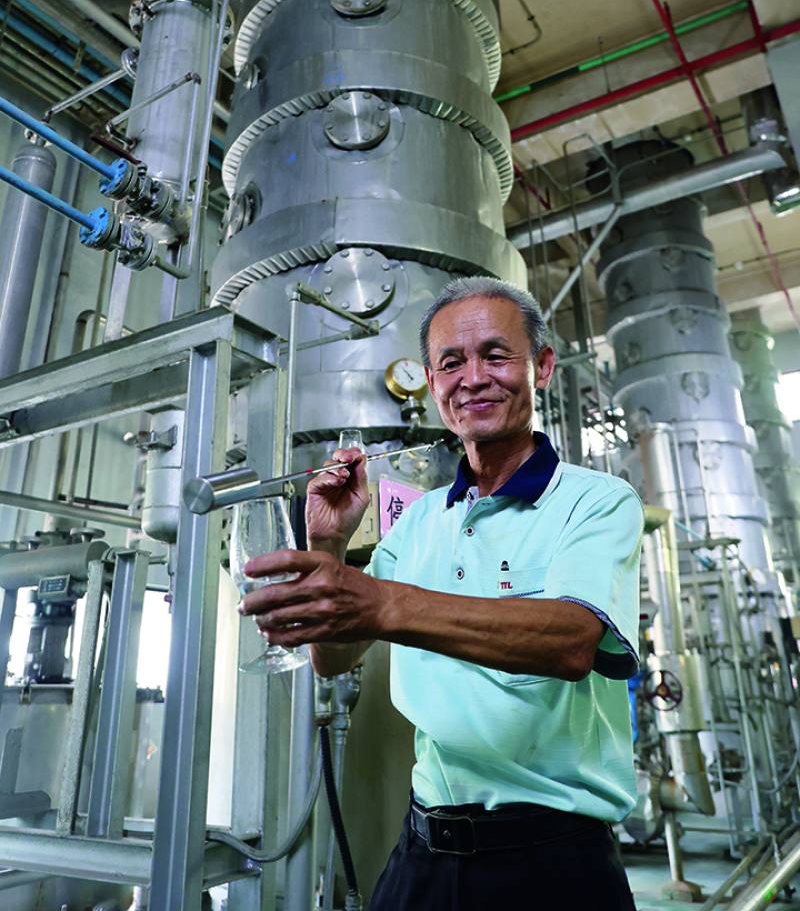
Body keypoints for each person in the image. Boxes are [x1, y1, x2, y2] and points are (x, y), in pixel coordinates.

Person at [240, 276, 643, 909]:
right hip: (424, 850)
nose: (473, 377)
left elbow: (570, 640)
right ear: (431, 386)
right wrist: (330, 550)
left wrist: (383, 601)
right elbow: (335, 658)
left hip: (552, 860)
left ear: (541, 367)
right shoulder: (420, 521)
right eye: (451, 363)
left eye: (495, 355)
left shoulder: (596, 501)